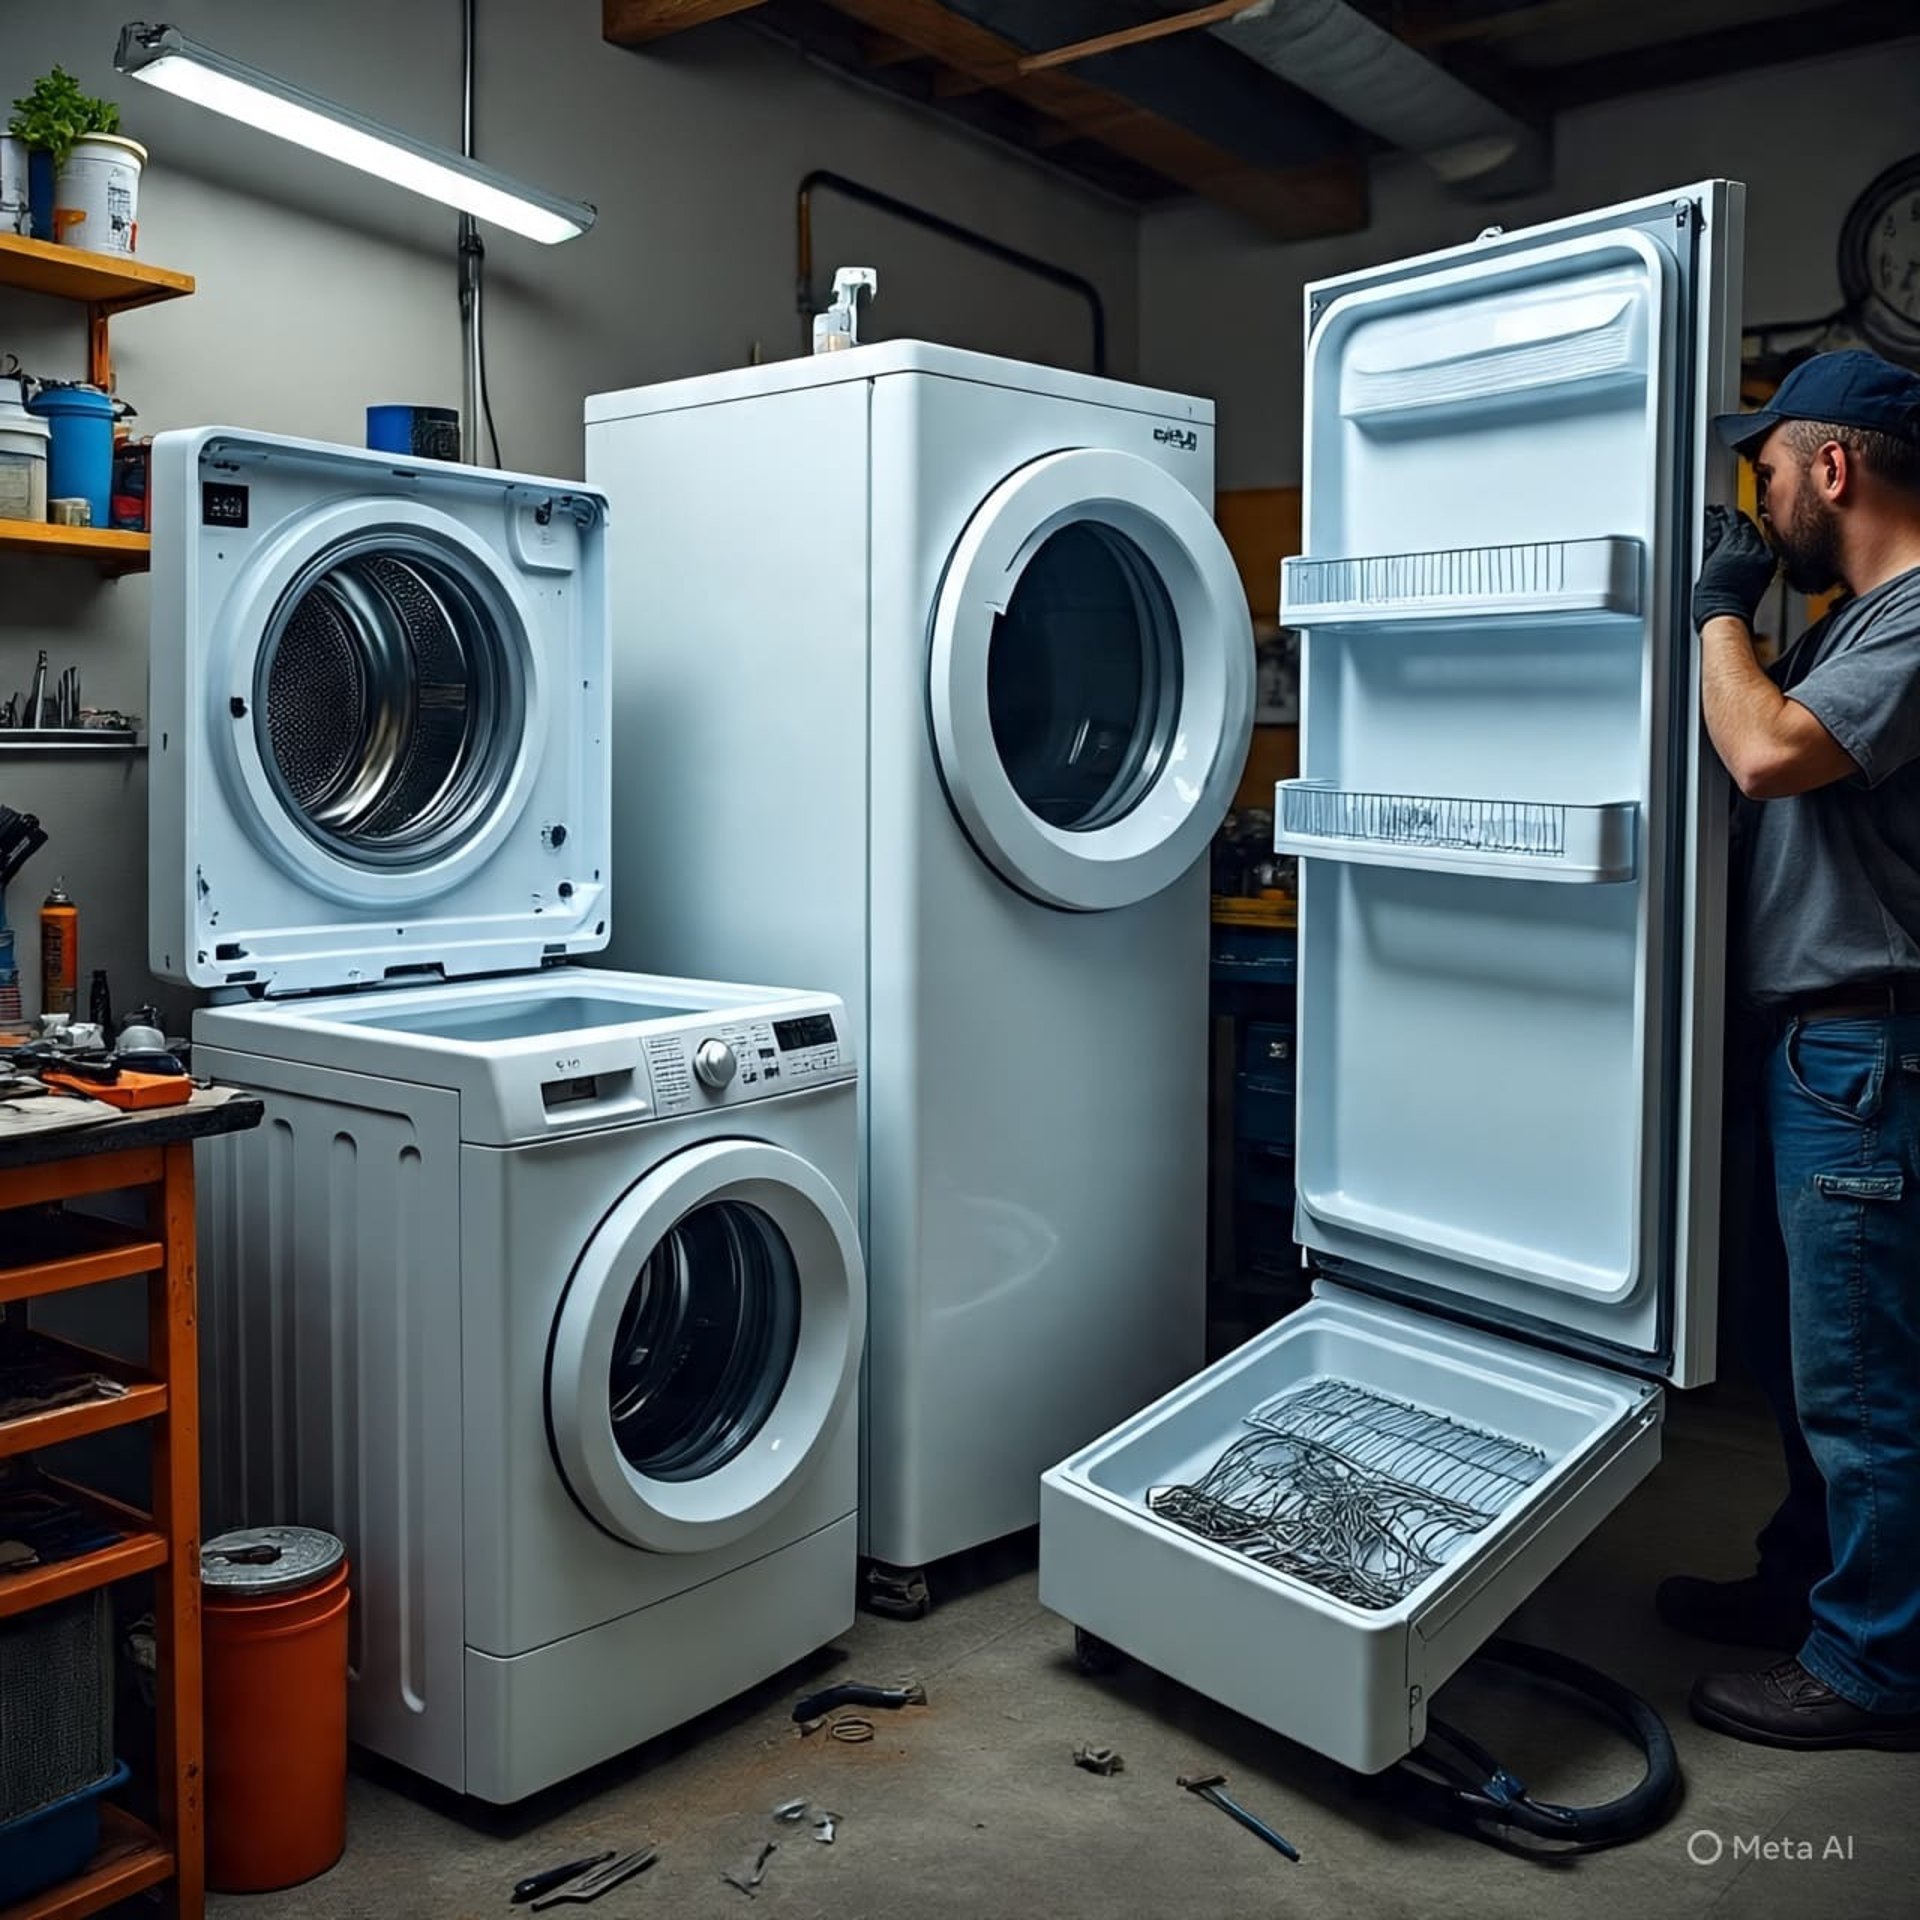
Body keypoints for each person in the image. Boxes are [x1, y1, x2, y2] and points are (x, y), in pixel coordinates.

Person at [1660, 347, 1920, 1750]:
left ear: (1836, 466)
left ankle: (1873, 1664)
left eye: (1766, 470)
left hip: (1869, 1056)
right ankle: (1801, 1590)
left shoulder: (1915, 622)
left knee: (1865, 1384)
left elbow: (1763, 755)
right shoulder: (1846, 624)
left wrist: (1716, 614)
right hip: (1809, 1053)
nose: (1757, 504)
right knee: (1798, 1359)